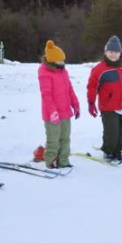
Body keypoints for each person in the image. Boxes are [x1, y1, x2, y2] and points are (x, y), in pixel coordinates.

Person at [87, 36, 122, 162]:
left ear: (120, 53)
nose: (113, 54)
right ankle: (109, 152)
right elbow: (92, 87)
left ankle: (118, 150)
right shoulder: (99, 69)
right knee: (112, 132)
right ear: (105, 52)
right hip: (108, 107)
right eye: (111, 52)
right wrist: (91, 103)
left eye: (116, 52)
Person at [38, 40, 80, 168]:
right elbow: (46, 95)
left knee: (65, 139)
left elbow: (70, 90)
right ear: (52, 61)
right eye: (60, 61)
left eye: (63, 60)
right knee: (53, 140)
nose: (63, 63)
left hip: (66, 112)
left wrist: (76, 105)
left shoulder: (63, 72)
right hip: (52, 115)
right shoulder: (44, 73)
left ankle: (63, 161)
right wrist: (52, 112)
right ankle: (50, 161)